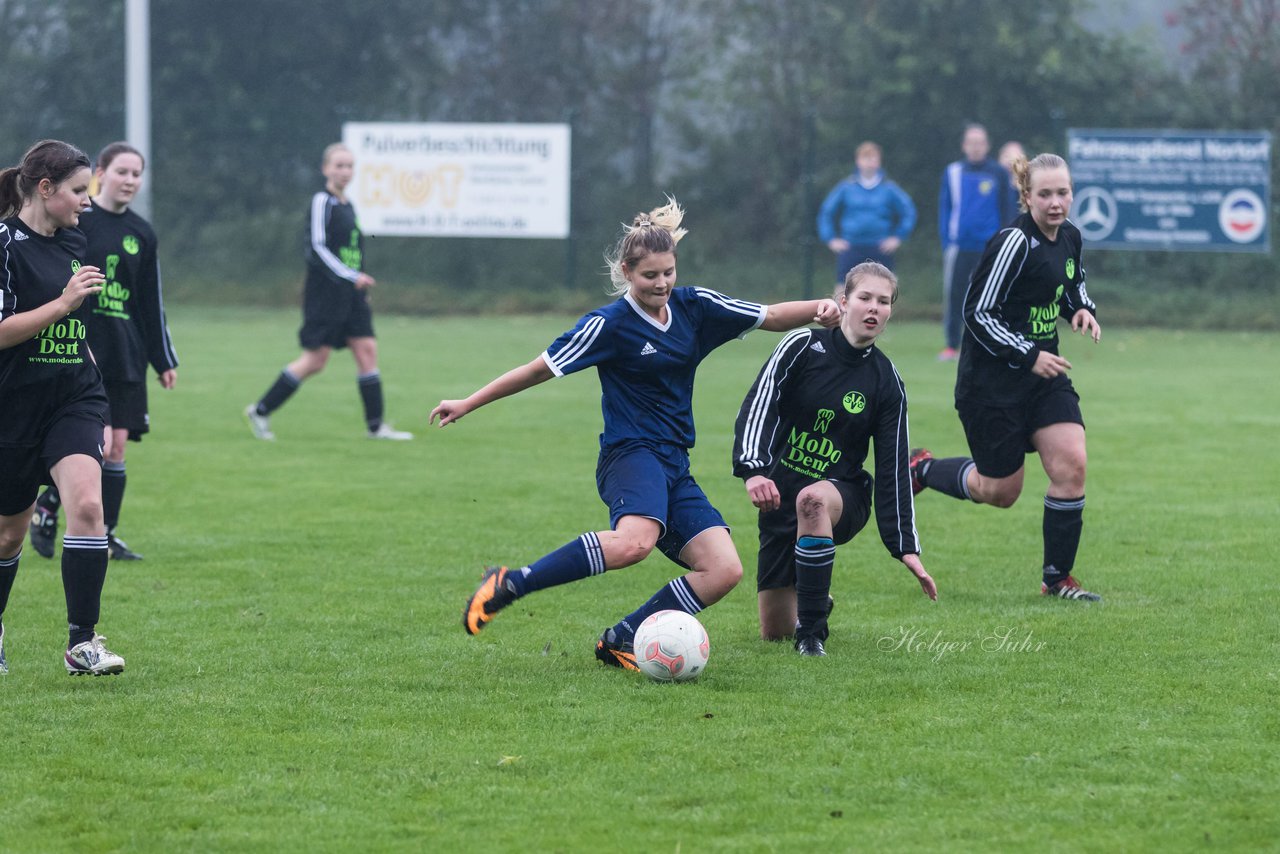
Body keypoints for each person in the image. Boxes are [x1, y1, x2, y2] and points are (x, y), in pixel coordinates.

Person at [431, 198, 842, 671]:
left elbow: (768, 315)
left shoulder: (694, 307)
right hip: (630, 455)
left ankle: (622, 637)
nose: (662, 283)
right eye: (650, 275)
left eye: (668, 272)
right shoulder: (609, 325)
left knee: (724, 569)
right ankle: (509, 582)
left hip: (674, 463)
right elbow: (536, 370)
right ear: (627, 272)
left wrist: (820, 308)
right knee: (634, 542)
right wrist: (468, 402)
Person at [911, 153, 1103, 602]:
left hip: (1044, 375)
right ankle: (921, 468)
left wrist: (1081, 309)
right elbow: (976, 313)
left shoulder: (1070, 236)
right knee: (999, 491)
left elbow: (1071, 285)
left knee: (1071, 464)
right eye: (1045, 194)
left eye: (1063, 192)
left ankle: (1057, 579)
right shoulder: (1013, 242)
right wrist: (1027, 351)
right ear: (1027, 197)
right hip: (990, 385)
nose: (1056, 203)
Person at [733, 261, 937, 657]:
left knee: (813, 499)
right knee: (773, 632)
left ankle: (812, 634)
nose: (874, 308)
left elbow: (894, 467)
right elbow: (761, 405)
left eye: (883, 301)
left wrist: (905, 546)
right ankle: (814, 598)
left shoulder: (886, 381)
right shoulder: (802, 347)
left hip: (844, 496)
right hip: (779, 498)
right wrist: (753, 471)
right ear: (844, 301)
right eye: (865, 298)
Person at [0, 139, 126, 675]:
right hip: (15, 404)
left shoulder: (76, 241)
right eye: (78, 191)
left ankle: (82, 643)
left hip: (74, 397)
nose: (86, 201)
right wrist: (62, 303)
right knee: (10, 532)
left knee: (90, 509)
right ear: (45, 189)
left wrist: (89, 360)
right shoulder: (5, 244)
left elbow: (77, 325)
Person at [28, 142, 179, 562]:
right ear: (101, 173)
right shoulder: (77, 220)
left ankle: (106, 534)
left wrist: (163, 359)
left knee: (116, 449)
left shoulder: (142, 233)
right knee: (100, 442)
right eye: (123, 172)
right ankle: (49, 506)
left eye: (137, 174)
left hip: (125, 352)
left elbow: (151, 301)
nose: (130, 181)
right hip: (82, 348)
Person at [245, 142, 411, 441]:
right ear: (326, 169)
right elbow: (317, 249)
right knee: (315, 361)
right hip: (325, 295)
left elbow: (353, 251)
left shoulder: (349, 205)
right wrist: (350, 277)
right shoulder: (322, 202)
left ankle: (376, 428)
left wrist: (359, 286)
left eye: (349, 166)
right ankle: (260, 410)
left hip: (351, 294)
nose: (345, 171)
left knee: (367, 351)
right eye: (339, 165)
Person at [937, 124, 1014, 362]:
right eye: (971, 142)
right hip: (959, 246)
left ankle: (991, 344)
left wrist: (1003, 242)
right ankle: (952, 346)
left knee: (990, 297)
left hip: (989, 247)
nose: (976, 147)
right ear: (964, 145)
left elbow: (1007, 209)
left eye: (980, 142)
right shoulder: (953, 172)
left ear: (987, 145)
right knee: (955, 296)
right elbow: (945, 208)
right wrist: (947, 241)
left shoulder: (999, 173)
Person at [816, 141, 916, 288]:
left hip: (880, 248)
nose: (870, 162)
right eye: (866, 158)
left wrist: (898, 237)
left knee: (884, 290)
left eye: (874, 158)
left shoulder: (889, 188)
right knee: (843, 291)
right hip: (851, 247)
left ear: (879, 162)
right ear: (858, 161)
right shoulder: (846, 187)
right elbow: (826, 212)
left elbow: (908, 211)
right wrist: (830, 238)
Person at [998, 141, 1026, 220]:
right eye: (1007, 156)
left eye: (1016, 157)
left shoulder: (1030, 189)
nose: (1011, 161)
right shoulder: (992, 187)